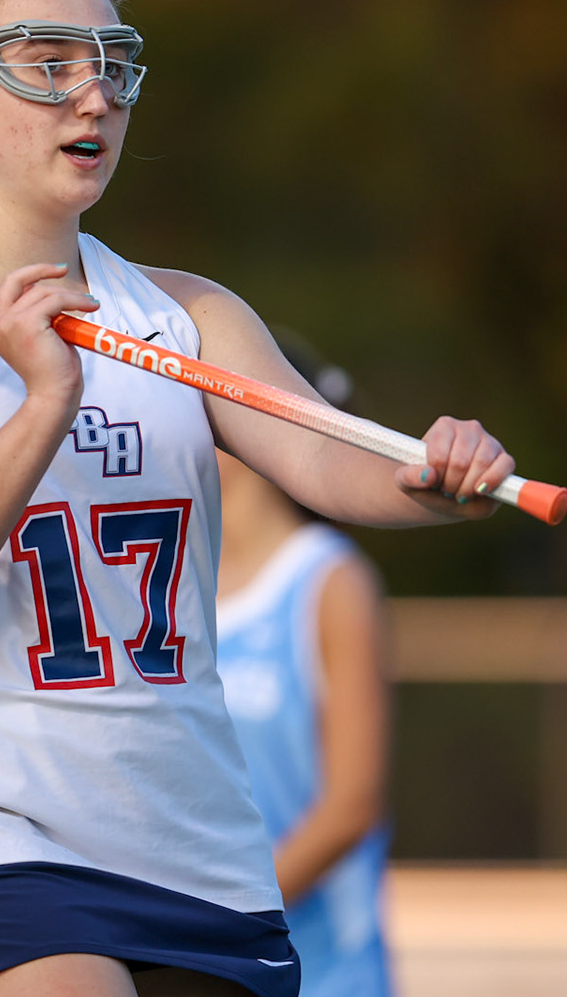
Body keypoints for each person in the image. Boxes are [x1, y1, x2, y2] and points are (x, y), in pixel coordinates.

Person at [0, 0, 517, 997]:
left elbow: (327, 459)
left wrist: (438, 476)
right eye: (46, 62)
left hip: (189, 842)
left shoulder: (188, 313)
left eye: (112, 64)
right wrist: (45, 400)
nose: (93, 95)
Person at [216, 340, 394, 997]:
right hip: (207, 966)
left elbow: (351, 806)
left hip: (324, 972)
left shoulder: (327, 580)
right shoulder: (173, 585)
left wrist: (225, 913)